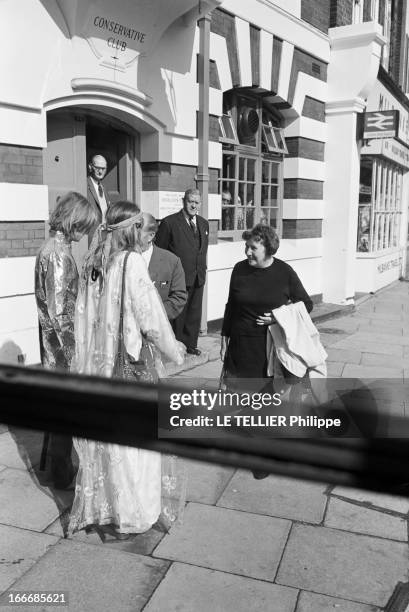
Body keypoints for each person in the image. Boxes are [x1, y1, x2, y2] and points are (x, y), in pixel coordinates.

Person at [68, 201, 185, 539]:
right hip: (130, 367)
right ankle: (136, 512)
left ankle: (107, 507)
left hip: (99, 367)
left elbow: (83, 318)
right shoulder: (131, 262)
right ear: (132, 228)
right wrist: (172, 350)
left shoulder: (94, 262)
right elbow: (150, 317)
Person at [35, 191, 99, 488]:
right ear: (73, 220)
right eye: (83, 226)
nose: (84, 233)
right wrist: (76, 354)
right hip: (61, 349)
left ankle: (59, 469)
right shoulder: (58, 253)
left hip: (53, 344)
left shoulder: (52, 248)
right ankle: (62, 474)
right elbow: (61, 312)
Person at [220, 224, 313, 383]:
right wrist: (224, 341)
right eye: (246, 247)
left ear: (268, 249)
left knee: (266, 400)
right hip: (240, 345)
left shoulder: (284, 272)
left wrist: (279, 317)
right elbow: (231, 307)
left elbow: (306, 304)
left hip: (270, 348)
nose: (248, 252)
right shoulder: (239, 269)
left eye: (253, 248)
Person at [155, 188, 209, 356]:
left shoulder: (203, 223)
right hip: (178, 278)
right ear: (183, 201)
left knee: (194, 313)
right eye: (190, 201)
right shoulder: (169, 223)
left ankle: (190, 345)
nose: (193, 205)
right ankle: (174, 348)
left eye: (196, 202)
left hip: (198, 275)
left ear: (200, 203)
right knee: (178, 314)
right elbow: (160, 252)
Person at [140, 212, 187, 321]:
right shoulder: (121, 258)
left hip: (157, 329)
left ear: (151, 236)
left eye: (138, 231)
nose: (131, 235)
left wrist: (153, 314)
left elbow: (179, 297)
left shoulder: (171, 261)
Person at [87, 154, 110, 223]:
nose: (100, 172)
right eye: (97, 168)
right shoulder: (84, 185)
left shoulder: (103, 186)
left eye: (103, 169)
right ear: (90, 167)